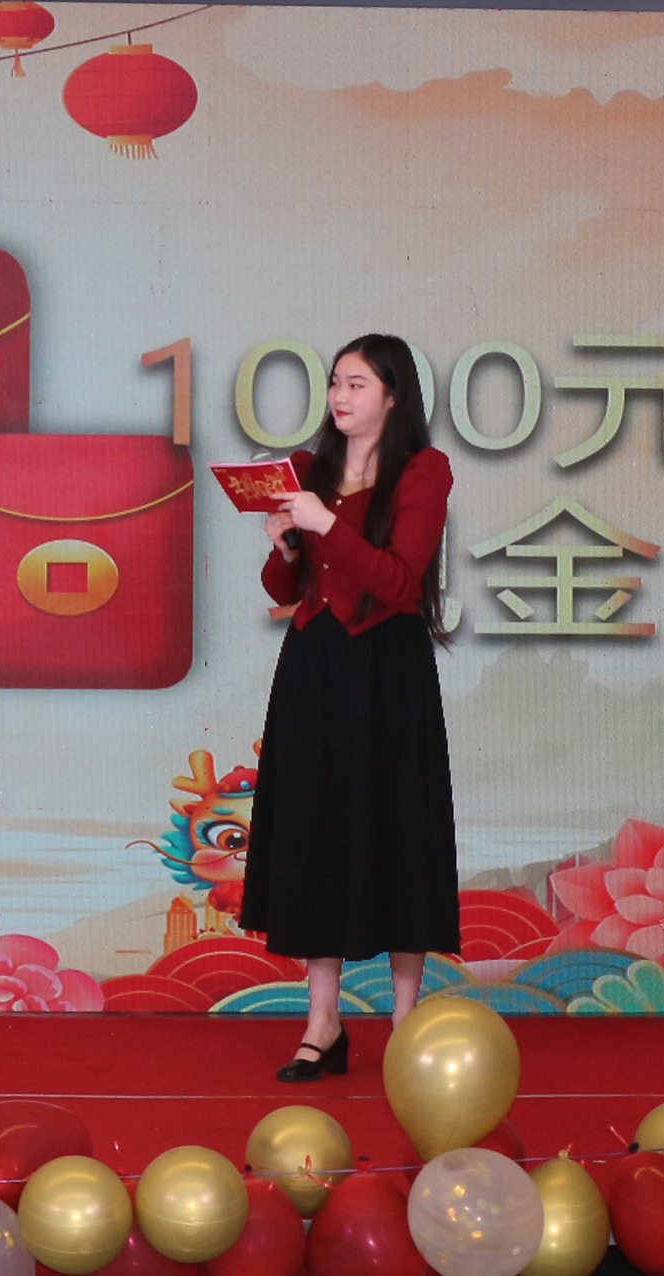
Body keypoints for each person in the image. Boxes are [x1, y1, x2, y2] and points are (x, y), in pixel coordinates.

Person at [240, 333, 459, 1082]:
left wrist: (327, 524)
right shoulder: (309, 470)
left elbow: (400, 581)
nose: (340, 396)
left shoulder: (423, 470)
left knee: (400, 828)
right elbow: (282, 587)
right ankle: (322, 1022)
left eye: (357, 384)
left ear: (394, 396)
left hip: (387, 670)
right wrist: (286, 545)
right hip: (315, 666)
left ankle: (406, 1021)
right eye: (336, 382)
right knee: (315, 833)